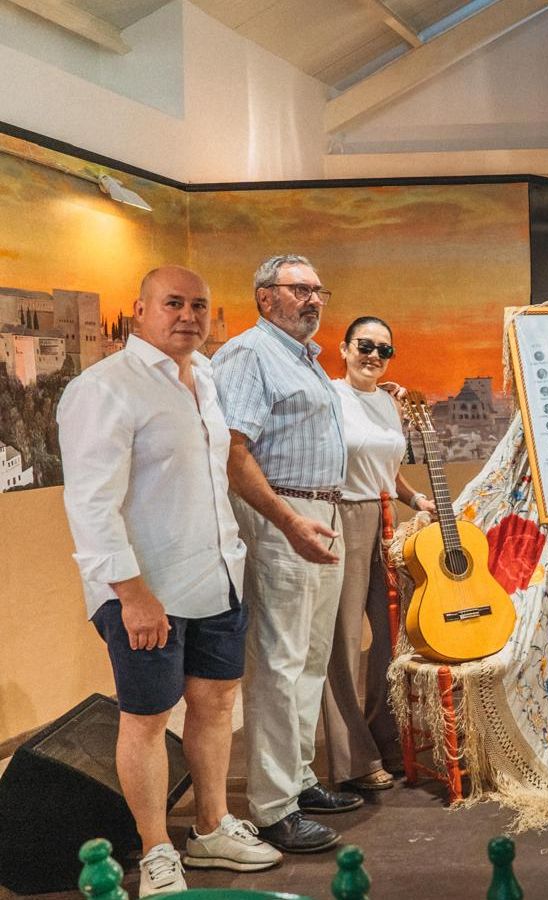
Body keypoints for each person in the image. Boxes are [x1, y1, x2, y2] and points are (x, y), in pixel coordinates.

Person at [58, 266, 281, 896]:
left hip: (214, 575)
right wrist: (131, 594)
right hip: (143, 590)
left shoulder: (205, 377)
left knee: (214, 706)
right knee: (149, 717)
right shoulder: (104, 388)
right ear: (140, 309)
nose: (187, 315)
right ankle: (157, 848)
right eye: (172, 303)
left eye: (199, 305)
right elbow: (92, 506)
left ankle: (211, 830)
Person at [212, 254, 359, 853]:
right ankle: (273, 807)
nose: (314, 300)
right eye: (300, 289)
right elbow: (234, 451)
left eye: (318, 290)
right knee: (277, 661)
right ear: (264, 296)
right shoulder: (250, 354)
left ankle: (297, 781)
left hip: (321, 513)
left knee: (309, 658)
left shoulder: (303, 359)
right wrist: (288, 521)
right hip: (283, 517)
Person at [320, 316, 435, 793]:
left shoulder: (390, 404)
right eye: (365, 345)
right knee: (343, 642)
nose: (373, 355)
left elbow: (386, 469)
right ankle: (352, 758)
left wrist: (416, 500)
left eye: (384, 349)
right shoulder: (327, 396)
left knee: (394, 639)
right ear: (345, 348)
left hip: (387, 518)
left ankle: (390, 742)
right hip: (341, 514)